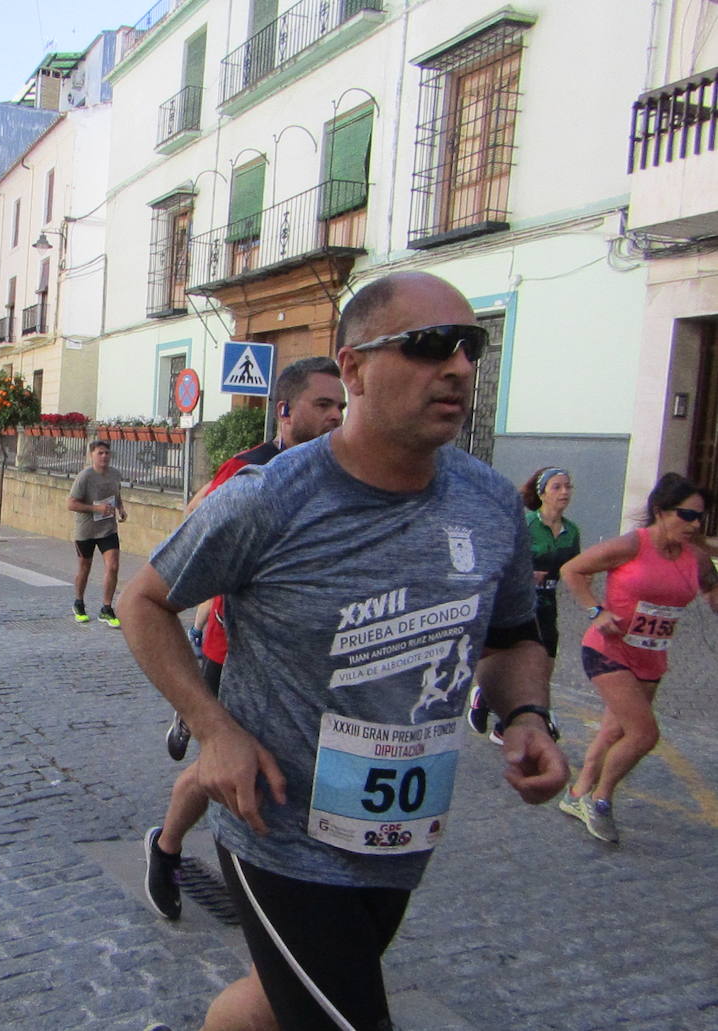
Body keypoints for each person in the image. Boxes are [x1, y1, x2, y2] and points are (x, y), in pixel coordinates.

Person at [120, 271, 567, 1031]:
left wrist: (525, 711)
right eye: (428, 346)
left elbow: (512, 634)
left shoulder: (490, 502)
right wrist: (216, 729)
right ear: (353, 366)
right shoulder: (271, 498)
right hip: (280, 832)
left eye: (470, 346)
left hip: (400, 834)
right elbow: (143, 601)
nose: (456, 366)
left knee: (275, 1001)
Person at [146, 356, 345, 921]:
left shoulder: (343, 476)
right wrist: (215, 605)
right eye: (323, 405)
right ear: (285, 412)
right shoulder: (249, 470)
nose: (337, 417)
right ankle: (168, 848)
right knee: (225, 771)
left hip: (310, 662)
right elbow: (190, 532)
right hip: (231, 653)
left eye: (342, 407)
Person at [557, 472, 718, 844]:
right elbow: (572, 569)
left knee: (615, 729)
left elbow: (712, 592)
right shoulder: (632, 545)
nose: (694, 525)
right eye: (686, 515)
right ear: (660, 511)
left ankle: (577, 792)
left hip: (651, 658)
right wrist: (596, 610)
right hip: (608, 649)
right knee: (644, 734)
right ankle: (601, 800)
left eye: (700, 518)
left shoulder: (695, 557)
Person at [468, 467, 580, 741]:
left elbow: (573, 567)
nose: (564, 492)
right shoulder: (525, 523)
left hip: (547, 605)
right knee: (518, 661)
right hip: (515, 603)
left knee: (546, 664)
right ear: (541, 494)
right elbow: (494, 559)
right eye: (557, 487)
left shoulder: (572, 531)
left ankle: (499, 716)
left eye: (568, 486)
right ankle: (494, 708)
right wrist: (526, 575)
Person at [68, 440, 128, 628]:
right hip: (86, 529)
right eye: (100, 453)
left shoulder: (115, 474)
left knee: (113, 566)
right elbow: (71, 504)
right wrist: (96, 508)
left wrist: (121, 508)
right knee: (85, 567)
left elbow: (116, 494)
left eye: (107, 453)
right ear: (91, 455)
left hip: (107, 528)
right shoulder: (84, 477)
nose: (104, 456)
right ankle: (79, 603)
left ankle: (106, 608)